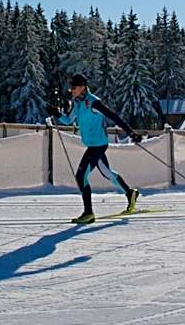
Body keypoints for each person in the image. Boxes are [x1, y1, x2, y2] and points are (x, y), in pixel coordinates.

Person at [49, 73, 141, 224]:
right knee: (107, 172)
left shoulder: (93, 103)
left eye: (74, 87)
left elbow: (114, 117)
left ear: (82, 87)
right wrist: (56, 113)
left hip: (98, 145)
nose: (71, 90)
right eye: (70, 87)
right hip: (92, 144)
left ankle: (88, 213)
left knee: (81, 176)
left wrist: (131, 132)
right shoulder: (77, 103)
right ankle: (130, 193)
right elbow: (68, 120)